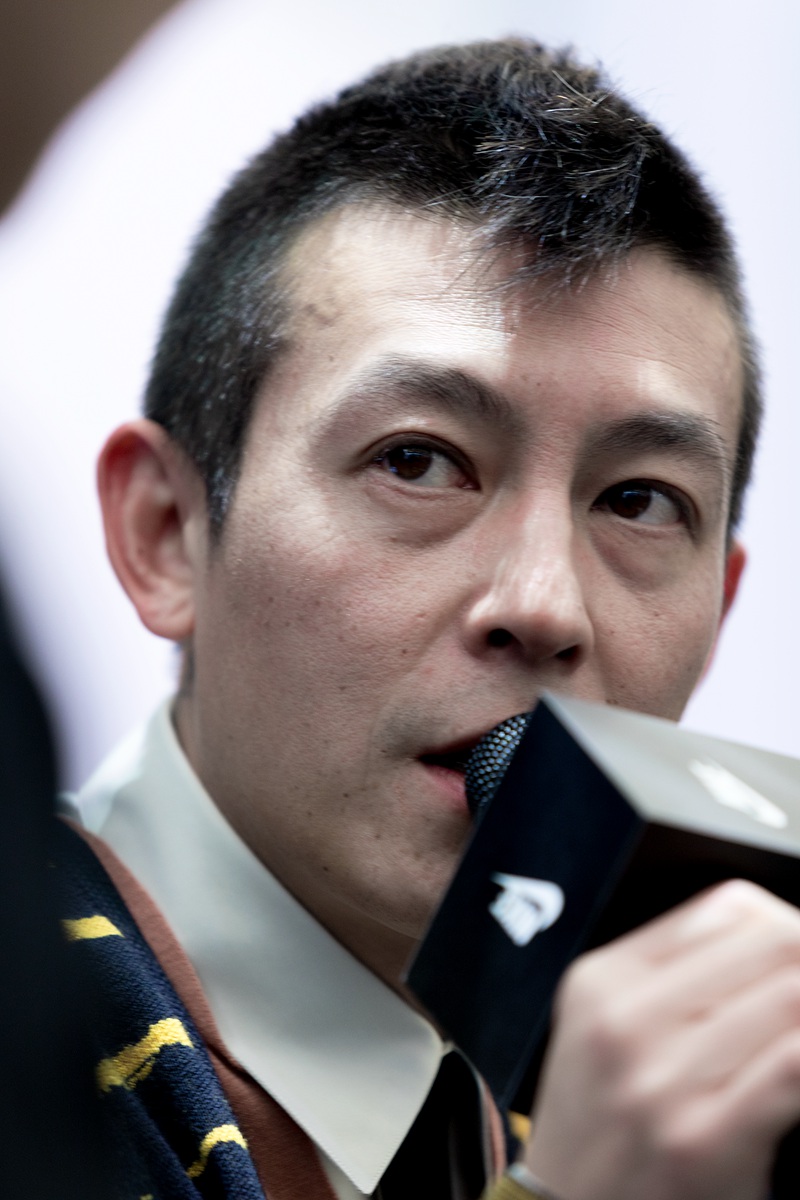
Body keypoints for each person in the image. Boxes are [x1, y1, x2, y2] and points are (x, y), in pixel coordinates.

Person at [60, 37, 800, 1200]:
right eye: (417, 461)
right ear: (166, 533)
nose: (544, 606)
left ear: (718, 605)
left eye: (637, 502)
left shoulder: (696, 1097)